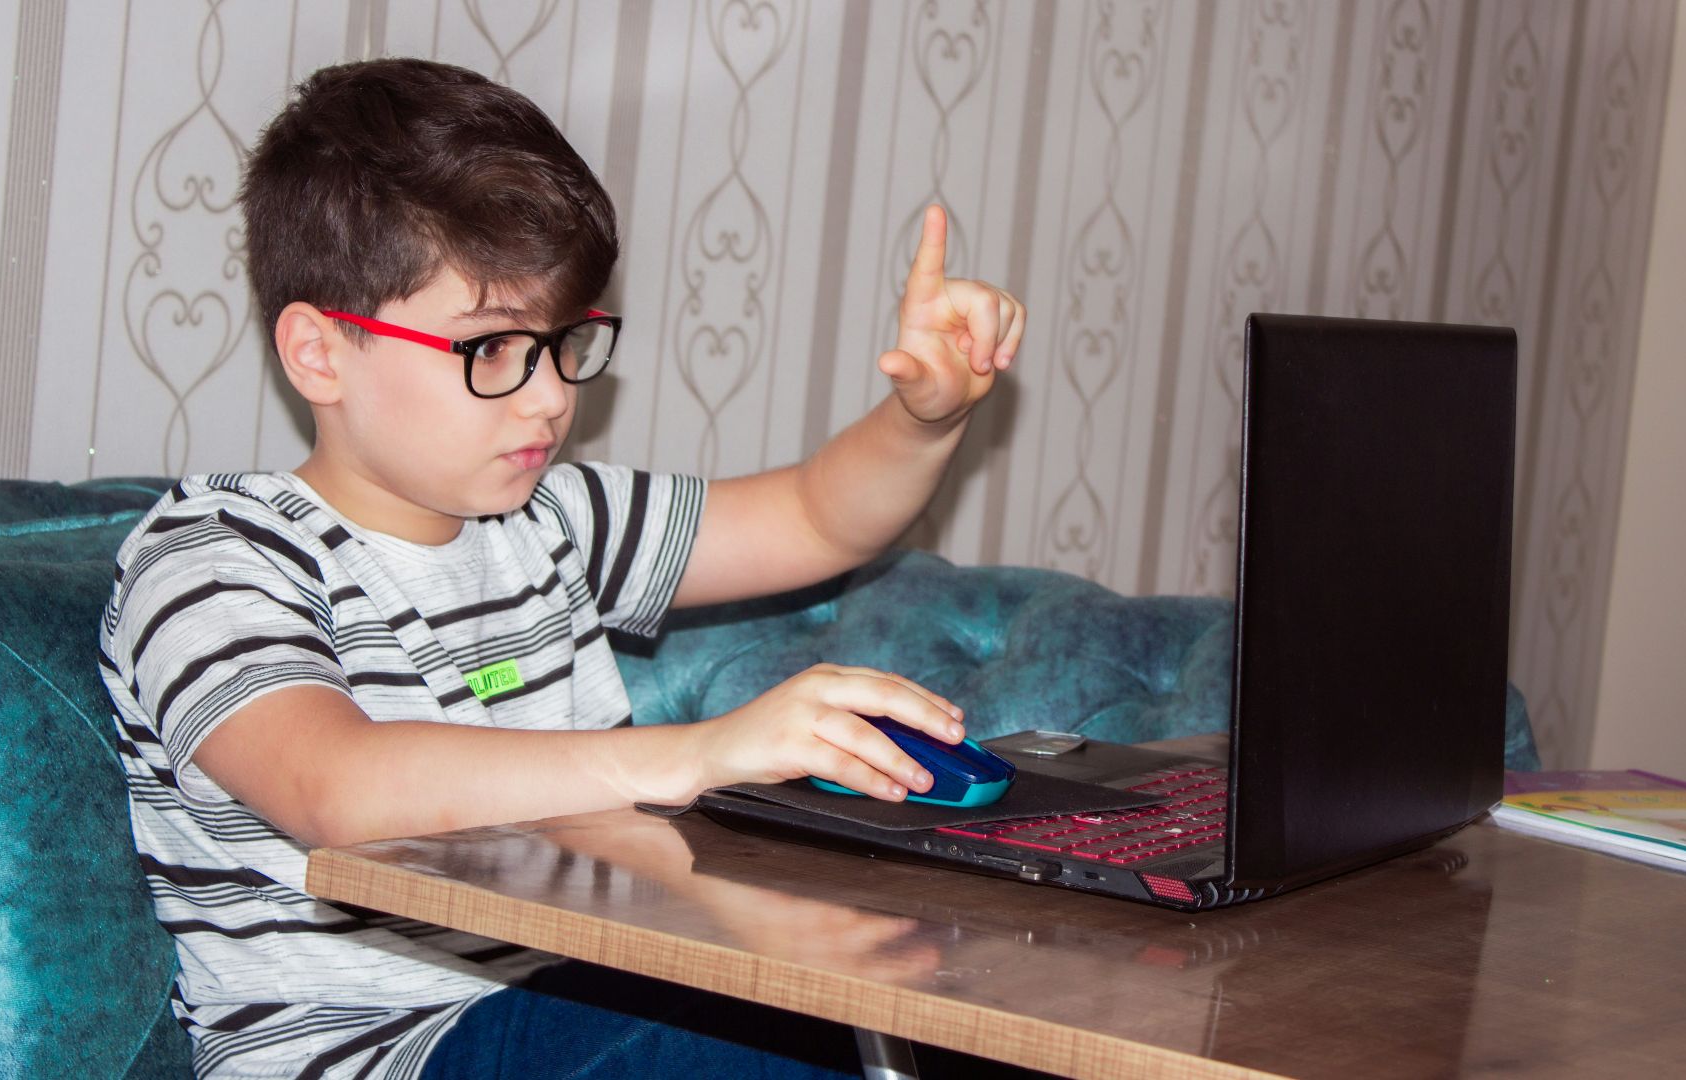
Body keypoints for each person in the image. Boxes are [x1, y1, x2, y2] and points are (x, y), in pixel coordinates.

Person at [99, 57, 1024, 1079]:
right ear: (320, 352)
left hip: (580, 988)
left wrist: (923, 420)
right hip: (376, 1051)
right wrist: (692, 753)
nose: (547, 399)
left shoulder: (547, 517)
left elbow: (814, 518)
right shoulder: (210, 554)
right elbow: (337, 786)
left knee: (933, 1003)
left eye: (564, 341)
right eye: (492, 350)